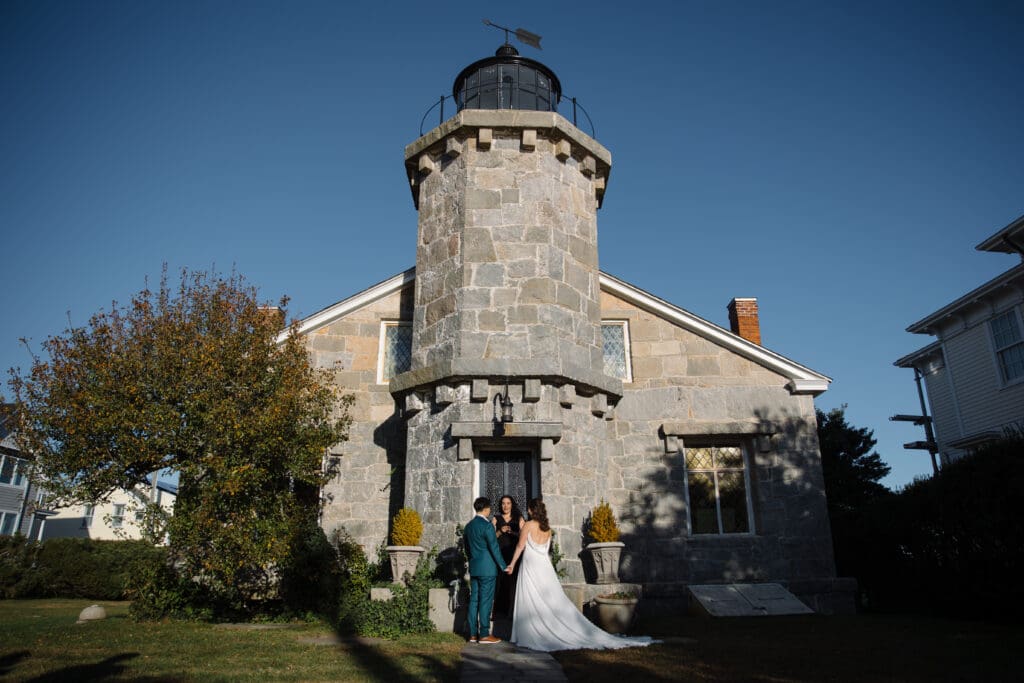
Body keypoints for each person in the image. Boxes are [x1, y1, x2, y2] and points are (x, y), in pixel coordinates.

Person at [506, 498, 657, 652]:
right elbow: (545, 551)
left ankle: (533, 632)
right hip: (544, 567)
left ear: (531, 510)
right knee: (550, 600)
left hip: (531, 566)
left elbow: (520, 546)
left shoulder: (529, 525)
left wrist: (512, 563)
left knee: (532, 598)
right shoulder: (547, 528)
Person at [464, 496, 507, 644]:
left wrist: (473, 561)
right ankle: (484, 634)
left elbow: (467, 549)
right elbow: (494, 548)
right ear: (486, 509)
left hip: (475, 567)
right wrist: (503, 565)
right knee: (486, 601)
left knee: (474, 600)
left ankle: (472, 634)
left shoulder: (468, 526)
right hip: (488, 569)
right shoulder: (487, 526)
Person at [492, 495, 525, 616]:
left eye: (508, 503)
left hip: (514, 554)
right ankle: (497, 612)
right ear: (500, 505)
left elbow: (524, 537)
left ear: (512, 505)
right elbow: (490, 538)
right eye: (503, 503)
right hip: (499, 554)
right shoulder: (496, 518)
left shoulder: (519, 518)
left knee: (513, 583)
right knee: (499, 582)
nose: (505, 506)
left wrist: (512, 532)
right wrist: (500, 531)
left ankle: (512, 612)